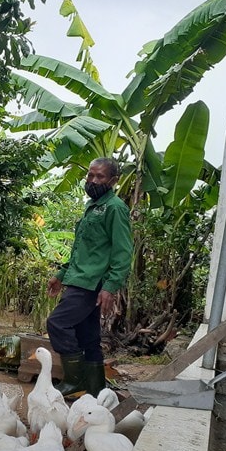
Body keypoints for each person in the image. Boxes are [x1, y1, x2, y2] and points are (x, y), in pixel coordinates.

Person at [46, 157, 133, 397]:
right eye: (90, 175)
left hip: (90, 283)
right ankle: (96, 392)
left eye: (100, 176)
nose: (93, 180)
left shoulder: (115, 208)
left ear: (113, 181)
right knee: (88, 337)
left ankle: (75, 380)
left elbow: (123, 251)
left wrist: (110, 286)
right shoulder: (92, 206)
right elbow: (82, 248)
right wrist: (62, 273)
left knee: (57, 323)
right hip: (79, 277)